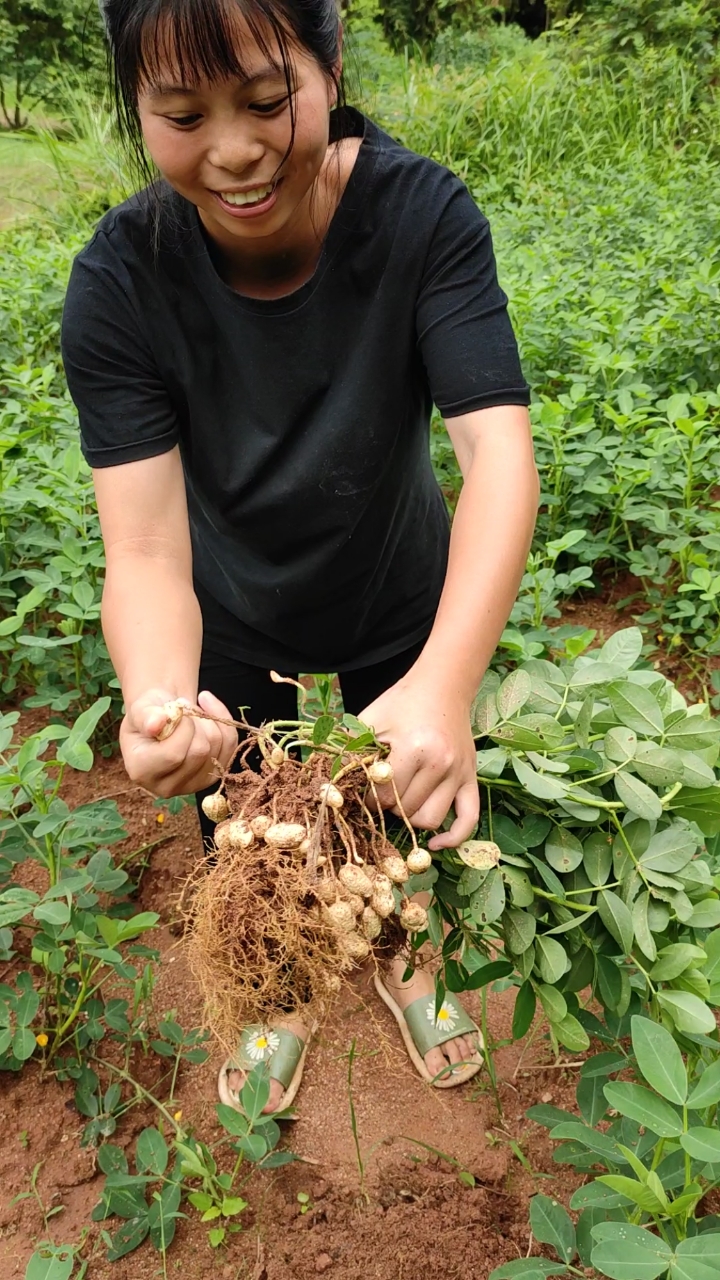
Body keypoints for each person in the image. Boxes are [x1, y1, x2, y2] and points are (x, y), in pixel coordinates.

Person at [62, 0, 539, 1113]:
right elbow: (144, 544)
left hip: (399, 591)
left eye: (268, 100)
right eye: (183, 115)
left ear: (330, 65)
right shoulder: (121, 280)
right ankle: (276, 985)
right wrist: (159, 699)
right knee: (249, 837)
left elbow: (498, 455)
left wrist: (445, 684)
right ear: (137, 108)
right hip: (227, 612)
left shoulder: (421, 217)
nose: (233, 150)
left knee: (400, 800)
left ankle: (404, 956)